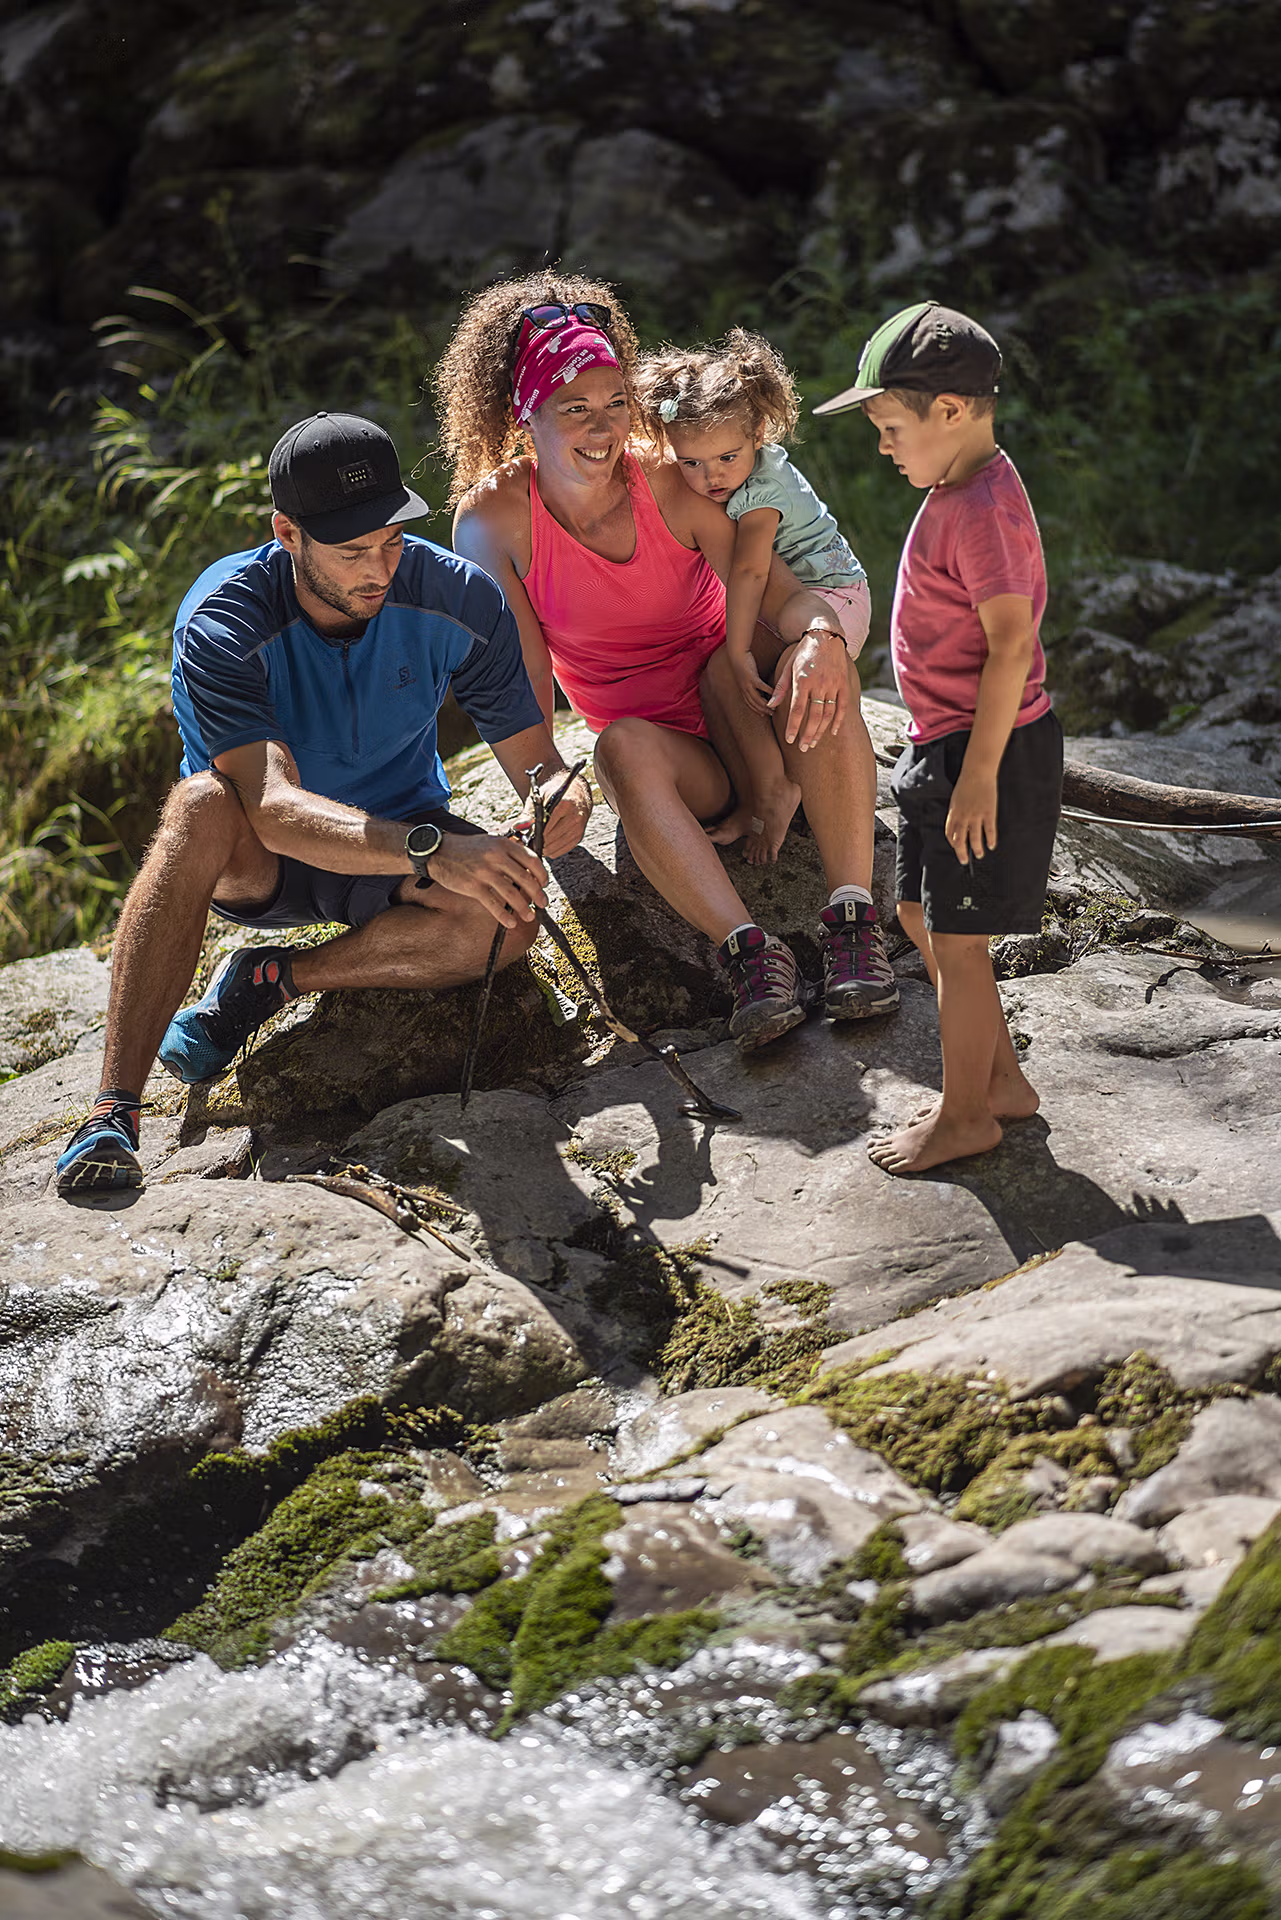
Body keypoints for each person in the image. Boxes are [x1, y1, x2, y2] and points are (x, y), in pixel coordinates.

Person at [54, 410, 591, 1195]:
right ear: (288, 533)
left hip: (396, 831)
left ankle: (274, 981)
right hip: (262, 856)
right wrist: (436, 849)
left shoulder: (458, 596)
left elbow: (537, 762)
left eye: (392, 539)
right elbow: (268, 804)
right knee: (200, 804)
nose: (379, 568)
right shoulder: (224, 620)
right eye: (351, 551)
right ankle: (113, 1110)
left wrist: (555, 800)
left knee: (501, 925)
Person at [440, 273, 898, 1056]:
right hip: (675, 758)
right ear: (526, 414)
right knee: (617, 747)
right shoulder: (490, 520)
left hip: (748, 702)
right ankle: (753, 956)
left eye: (616, 402)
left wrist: (821, 637)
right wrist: (546, 782)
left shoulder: (665, 478)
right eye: (573, 408)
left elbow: (786, 598)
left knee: (812, 660)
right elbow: (521, 679)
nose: (603, 427)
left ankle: (853, 917)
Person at [814, 301, 1063, 1174]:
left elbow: (1011, 644)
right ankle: (1001, 1085)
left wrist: (980, 776)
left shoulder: (985, 507)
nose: (883, 447)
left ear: (949, 412)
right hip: (941, 742)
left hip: (983, 751)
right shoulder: (955, 487)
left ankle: (965, 1117)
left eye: (889, 427)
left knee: (957, 941)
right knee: (920, 914)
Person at [638, 329, 871, 866]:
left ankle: (787, 791)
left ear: (759, 432)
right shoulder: (730, 476)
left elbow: (748, 572)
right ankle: (764, 793)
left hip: (832, 600)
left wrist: (742, 647)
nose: (710, 477)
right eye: (690, 463)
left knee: (753, 667)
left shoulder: (762, 491)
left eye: (725, 457)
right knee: (718, 676)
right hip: (800, 598)